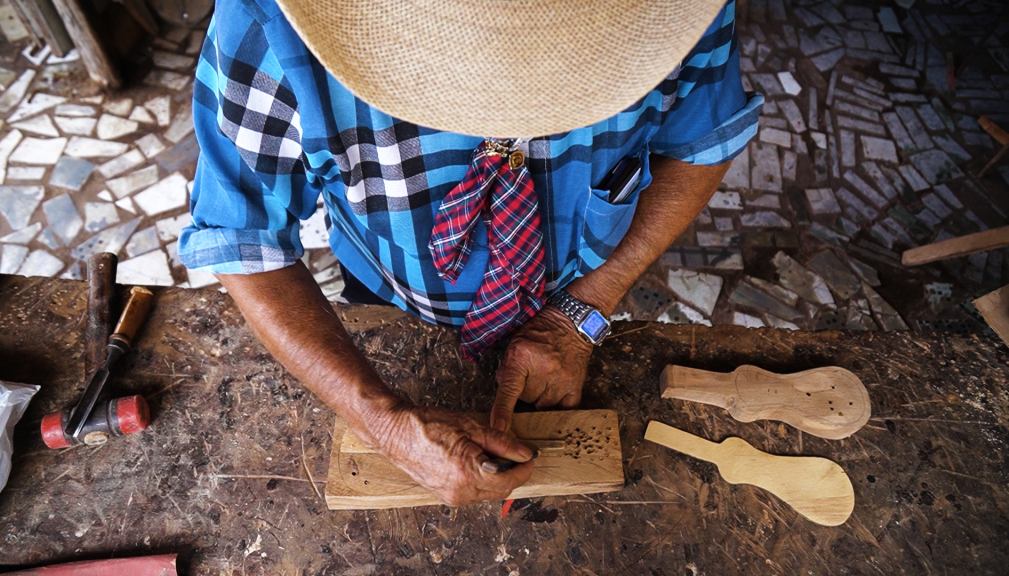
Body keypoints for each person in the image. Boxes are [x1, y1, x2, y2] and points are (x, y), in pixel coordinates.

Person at [180, 0, 763, 506]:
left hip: (581, 288)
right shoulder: (274, 18)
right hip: (389, 293)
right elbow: (243, 240)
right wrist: (382, 424)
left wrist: (584, 307)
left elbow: (702, 144)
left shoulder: (677, 17)